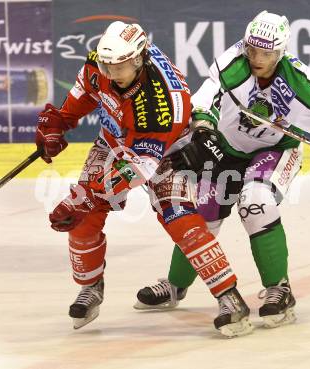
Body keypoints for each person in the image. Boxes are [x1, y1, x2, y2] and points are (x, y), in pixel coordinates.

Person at [134, 10, 310, 328]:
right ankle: (175, 285)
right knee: (201, 216)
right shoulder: (233, 64)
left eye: (267, 52)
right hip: (226, 150)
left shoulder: (294, 75)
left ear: (281, 51)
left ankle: (278, 290)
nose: (257, 57)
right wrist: (201, 132)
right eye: (253, 49)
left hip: (274, 151)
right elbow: (204, 101)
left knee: (256, 203)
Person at [35, 21, 253, 337]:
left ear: (140, 59)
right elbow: (86, 88)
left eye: (120, 65)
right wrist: (59, 121)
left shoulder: (161, 103)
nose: (112, 73)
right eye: (107, 65)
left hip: (167, 152)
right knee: (83, 219)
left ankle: (230, 298)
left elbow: (139, 168)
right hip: (114, 139)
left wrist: (89, 195)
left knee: (181, 220)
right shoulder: (102, 63)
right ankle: (90, 288)